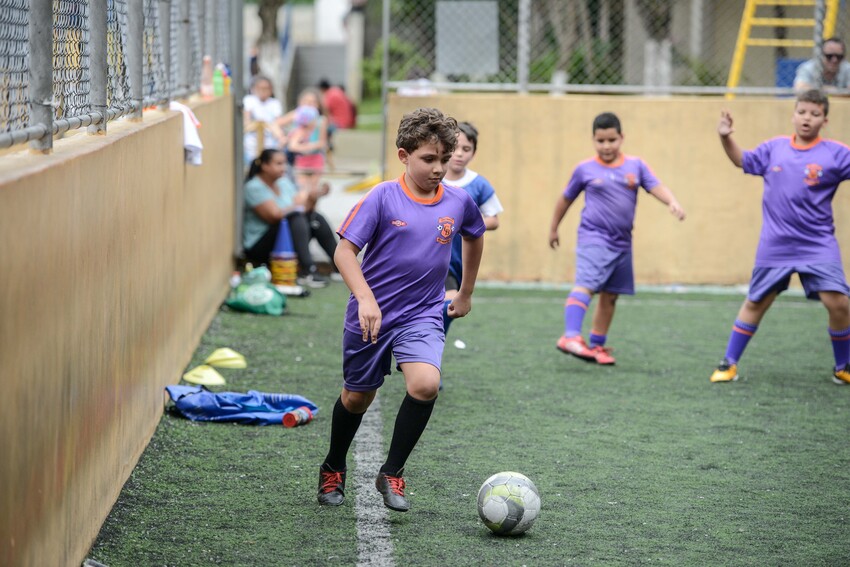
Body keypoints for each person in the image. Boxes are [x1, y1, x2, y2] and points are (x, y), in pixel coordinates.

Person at [316, 108, 486, 511]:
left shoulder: (459, 202)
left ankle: (392, 471)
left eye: (445, 159)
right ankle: (332, 465)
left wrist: (464, 292)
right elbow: (344, 251)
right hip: (372, 314)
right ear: (404, 156)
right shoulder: (381, 197)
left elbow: (476, 236)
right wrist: (366, 298)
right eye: (429, 159)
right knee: (358, 398)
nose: (439, 168)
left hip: (423, 312)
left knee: (425, 385)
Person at [710, 89, 850, 385]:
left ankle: (843, 366)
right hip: (776, 244)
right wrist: (725, 138)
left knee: (838, 303)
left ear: (825, 119)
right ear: (793, 115)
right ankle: (728, 363)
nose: (806, 118)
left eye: (814, 114)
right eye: (802, 112)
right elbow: (742, 161)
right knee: (756, 301)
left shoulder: (836, 154)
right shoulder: (774, 148)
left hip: (818, 243)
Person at [548, 112, 686, 365]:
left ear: (621, 138)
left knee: (610, 295)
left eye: (612, 140)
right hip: (594, 238)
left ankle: (598, 346)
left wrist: (672, 202)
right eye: (601, 141)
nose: (607, 146)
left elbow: (656, 186)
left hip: (622, 243)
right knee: (586, 284)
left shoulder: (636, 166)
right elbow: (565, 199)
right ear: (593, 141)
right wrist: (554, 228)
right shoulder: (585, 169)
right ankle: (570, 336)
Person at [243, 149, 340, 288]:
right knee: (295, 218)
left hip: (286, 237)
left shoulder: (283, 183)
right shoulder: (254, 187)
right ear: (264, 166)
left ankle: (340, 267)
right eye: (279, 163)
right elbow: (274, 216)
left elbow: (304, 209)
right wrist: (298, 205)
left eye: (285, 163)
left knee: (315, 218)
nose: (284, 167)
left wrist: (314, 197)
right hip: (259, 246)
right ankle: (308, 271)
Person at [441, 121, 503, 338]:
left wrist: (465, 225)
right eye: (455, 147)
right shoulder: (433, 177)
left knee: (448, 305)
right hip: (431, 256)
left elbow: (493, 219)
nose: (459, 154)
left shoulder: (478, 184)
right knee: (443, 300)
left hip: (457, 260)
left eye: (466, 149)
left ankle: (425, 347)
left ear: (473, 153)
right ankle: (419, 347)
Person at [242, 76, 286, 167]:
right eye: (260, 88)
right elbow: (247, 120)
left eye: (266, 88)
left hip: (270, 139)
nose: (263, 91)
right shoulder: (249, 100)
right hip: (251, 140)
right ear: (253, 89)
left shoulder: (275, 103)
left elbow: (278, 122)